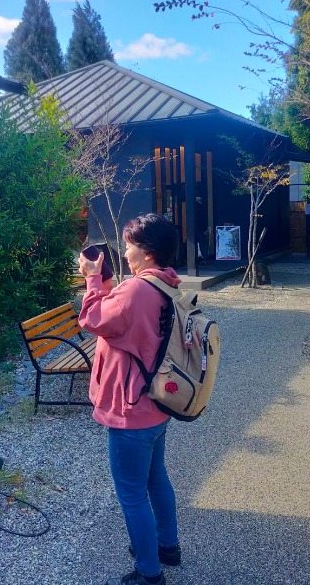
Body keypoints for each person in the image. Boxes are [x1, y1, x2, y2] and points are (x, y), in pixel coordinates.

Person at [78, 214, 181, 585]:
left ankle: (149, 572)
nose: (124, 251)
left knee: (132, 494)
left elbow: (91, 318)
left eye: (129, 245)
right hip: (156, 404)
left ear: (147, 251)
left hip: (131, 408)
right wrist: (105, 281)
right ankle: (167, 547)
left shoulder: (137, 290)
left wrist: (91, 276)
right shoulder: (166, 285)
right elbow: (118, 320)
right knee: (156, 479)